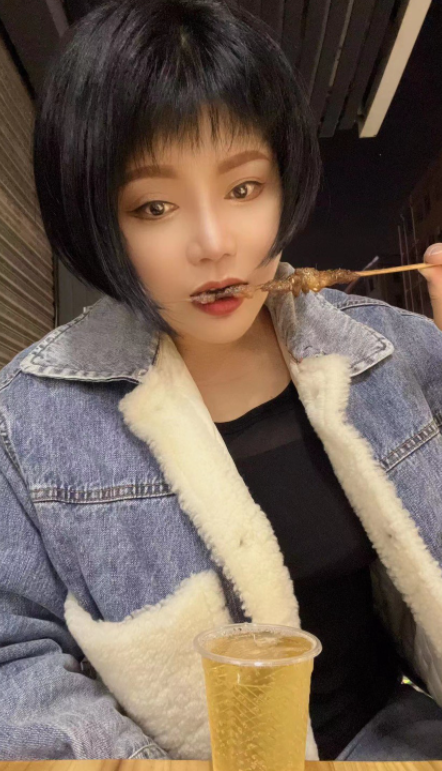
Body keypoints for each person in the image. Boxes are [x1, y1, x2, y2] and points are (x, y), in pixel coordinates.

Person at [1, 0, 442, 761]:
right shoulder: (28, 420)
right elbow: (14, 655)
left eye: (243, 189)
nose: (214, 243)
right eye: (155, 205)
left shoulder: (394, 351)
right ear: (98, 217)